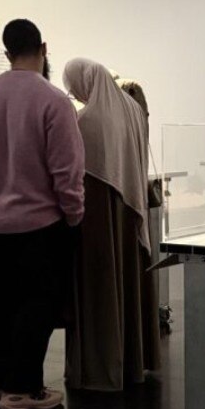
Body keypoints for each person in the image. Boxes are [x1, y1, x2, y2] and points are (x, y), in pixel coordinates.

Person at [0, 19, 85, 409]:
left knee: (0, 302)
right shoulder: (53, 101)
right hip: (39, 223)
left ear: (6, 52)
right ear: (44, 48)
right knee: (38, 304)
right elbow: (67, 170)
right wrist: (74, 215)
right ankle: (23, 390)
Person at [62, 59, 159, 392]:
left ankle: (100, 368)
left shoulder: (84, 120)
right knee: (128, 282)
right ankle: (133, 362)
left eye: (73, 86)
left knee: (100, 287)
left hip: (98, 212)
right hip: (130, 211)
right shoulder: (131, 110)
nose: (73, 93)